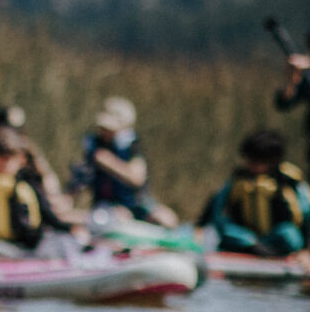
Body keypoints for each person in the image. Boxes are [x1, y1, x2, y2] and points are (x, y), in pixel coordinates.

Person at [200, 128, 310, 258]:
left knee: (288, 233)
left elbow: (307, 214)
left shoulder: (289, 181)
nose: (249, 163)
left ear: (272, 160)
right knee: (227, 230)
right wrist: (200, 226)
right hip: (247, 238)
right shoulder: (238, 180)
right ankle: (254, 247)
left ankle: (270, 250)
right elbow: (216, 206)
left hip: (278, 238)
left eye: (255, 160)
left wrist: (307, 250)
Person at [73, 96, 175, 225]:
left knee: (167, 219)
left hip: (137, 204)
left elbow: (137, 178)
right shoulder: (94, 145)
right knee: (120, 216)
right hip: (108, 207)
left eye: (110, 129)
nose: (105, 132)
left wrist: (109, 162)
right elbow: (79, 181)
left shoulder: (131, 145)